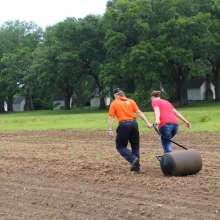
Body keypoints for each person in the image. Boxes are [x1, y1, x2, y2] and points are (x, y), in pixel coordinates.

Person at [108, 88, 152, 172]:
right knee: (135, 146)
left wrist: (110, 129)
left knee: (120, 146)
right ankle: (136, 168)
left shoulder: (114, 103)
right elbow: (139, 112)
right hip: (134, 124)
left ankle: (133, 159)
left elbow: (111, 116)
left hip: (124, 125)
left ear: (116, 95)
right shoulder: (131, 101)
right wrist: (148, 123)